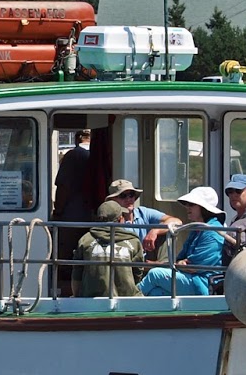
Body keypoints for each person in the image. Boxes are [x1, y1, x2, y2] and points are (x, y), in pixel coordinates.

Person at [138, 187, 225, 296]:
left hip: (203, 283)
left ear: (203, 208)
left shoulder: (212, 232)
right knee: (154, 293)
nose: (187, 208)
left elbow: (193, 267)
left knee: (155, 274)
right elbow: (181, 260)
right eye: (187, 204)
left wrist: (182, 263)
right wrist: (181, 262)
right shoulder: (197, 228)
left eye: (192, 204)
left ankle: (127, 302)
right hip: (193, 279)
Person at [51, 128, 96, 294]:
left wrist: (58, 210)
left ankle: (67, 290)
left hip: (72, 215)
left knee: (67, 255)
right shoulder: (100, 155)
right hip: (94, 216)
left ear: (78, 138)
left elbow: (63, 187)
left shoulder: (73, 156)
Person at [73, 199, 143, 298]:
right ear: (120, 220)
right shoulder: (133, 241)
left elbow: (77, 274)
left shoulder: (85, 240)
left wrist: (76, 297)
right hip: (127, 299)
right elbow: (137, 275)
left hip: (91, 299)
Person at [106, 179, 181, 259]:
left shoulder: (143, 212)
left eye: (131, 195)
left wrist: (155, 231)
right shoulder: (112, 218)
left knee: (168, 230)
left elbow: (177, 222)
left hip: (146, 258)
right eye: (123, 196)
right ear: (113, 200)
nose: (128, 199)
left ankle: (163, 266)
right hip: (125, 260)